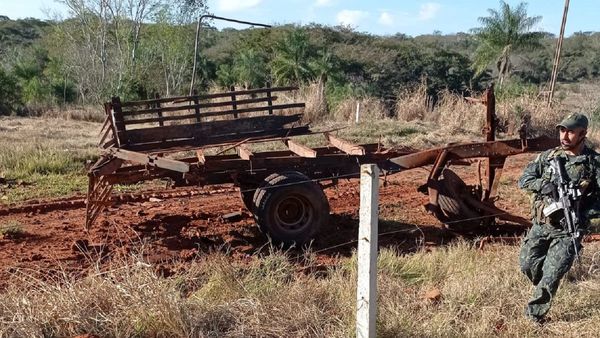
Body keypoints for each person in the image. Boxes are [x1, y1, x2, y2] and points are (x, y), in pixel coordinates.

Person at [518, 112, 600, 323]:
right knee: (527, 264)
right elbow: (524, 179)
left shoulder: (593, 163)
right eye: (562, 130)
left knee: (552, 275)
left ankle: (533, 316)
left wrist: (582, 209)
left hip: (569, 230)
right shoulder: (548, 157)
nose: (564, 136)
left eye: (571, 132)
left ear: (583, 133)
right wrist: (542, 185)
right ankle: (543, 281)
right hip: (542, 224)